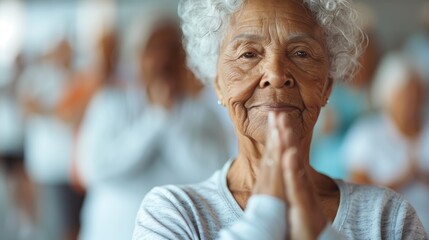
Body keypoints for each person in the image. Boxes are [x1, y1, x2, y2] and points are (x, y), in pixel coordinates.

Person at [133, 0, 428, 239]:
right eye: (248, 54)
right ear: (219, 85)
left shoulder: (388, 217)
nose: (275, 74)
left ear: (326, 87)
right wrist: (267, 215)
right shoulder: (173, 213)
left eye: (300, 53)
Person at [75, 4, 229, 240]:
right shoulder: (110, 105)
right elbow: (94, 170)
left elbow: (213, 172)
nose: (163, 58)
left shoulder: (203, 113)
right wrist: (156, 119)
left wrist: (170, 119)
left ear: (186, 59)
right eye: (153, 48)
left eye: (172, 48)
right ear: (137, 56)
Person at [343, 52, 429, 232]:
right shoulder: (366, 134)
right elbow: (357, 195)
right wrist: (402, 179)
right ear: (388, 96)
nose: (412, 102)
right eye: (405, 95)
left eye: (417, 94)